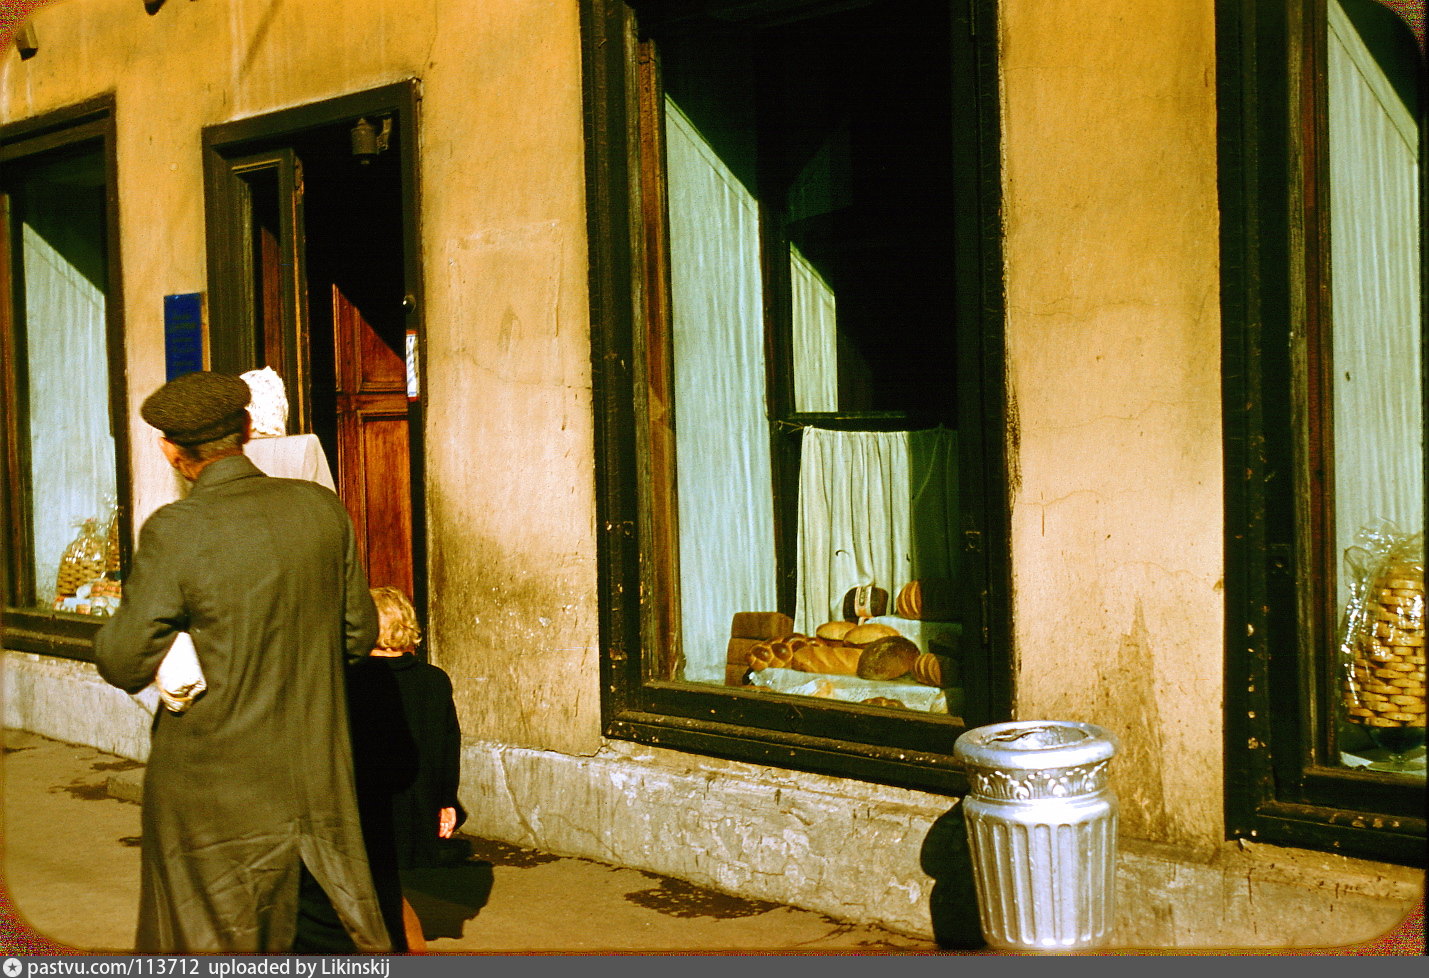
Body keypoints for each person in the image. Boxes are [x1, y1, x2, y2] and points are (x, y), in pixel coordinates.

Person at [93, 370, 391, 954]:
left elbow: (125, 661)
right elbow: (358, 638)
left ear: (172, 451)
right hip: (316, 777)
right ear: (249, 429)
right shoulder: (320, 509)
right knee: (323, 937)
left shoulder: (178, 529)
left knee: (212, 943)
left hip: (211, 794)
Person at [346, 586, 465, 874]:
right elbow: (448, 747)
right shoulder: (434, 680)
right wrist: (447, 801)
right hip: (417, 809)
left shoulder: (349, 680)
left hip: (364, 810)